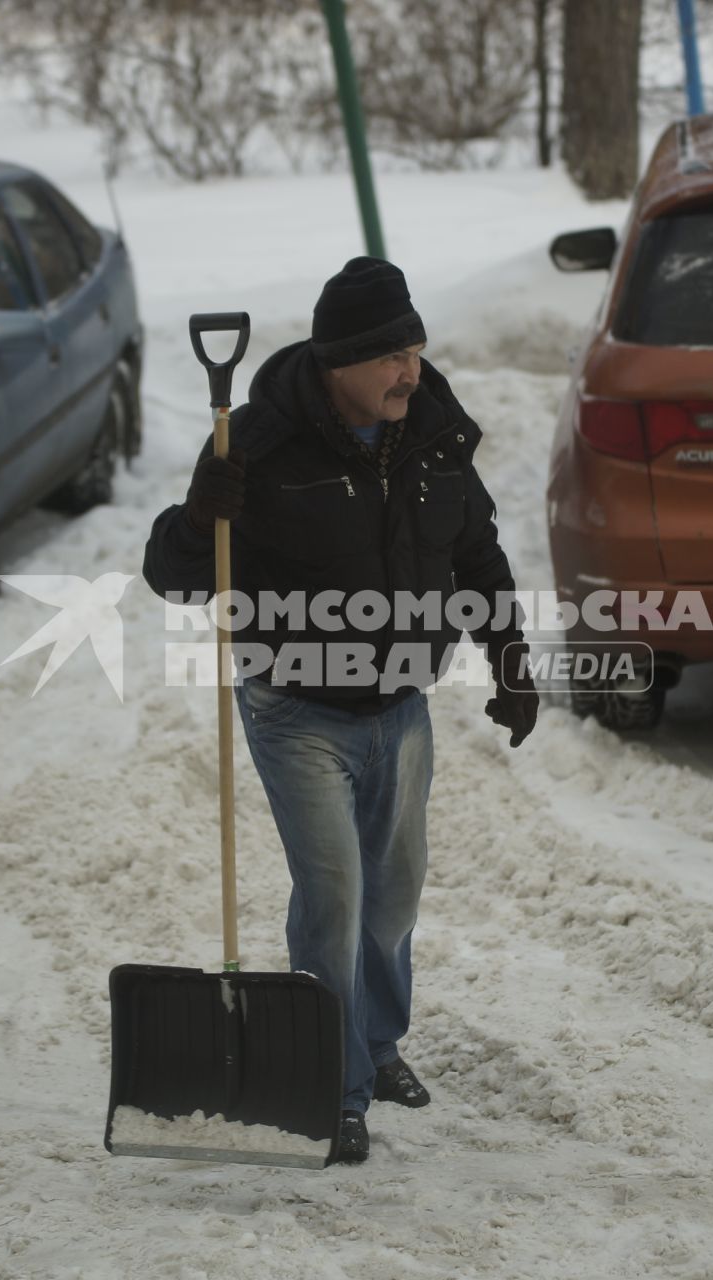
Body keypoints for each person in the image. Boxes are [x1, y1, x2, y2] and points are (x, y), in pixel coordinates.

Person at [142, 256, 539, 1163]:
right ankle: (334, 1078)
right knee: (335, 895)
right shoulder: (258, 442)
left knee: (394, 897)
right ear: (337, 365)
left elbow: (473, 551)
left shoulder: (431, 431)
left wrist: (510, 653)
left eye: (415, 348)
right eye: (390, 357)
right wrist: (201, 518)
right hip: (296, 706)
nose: (410, 371)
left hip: (400, 703)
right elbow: (173, 576)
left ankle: (379, 1041)